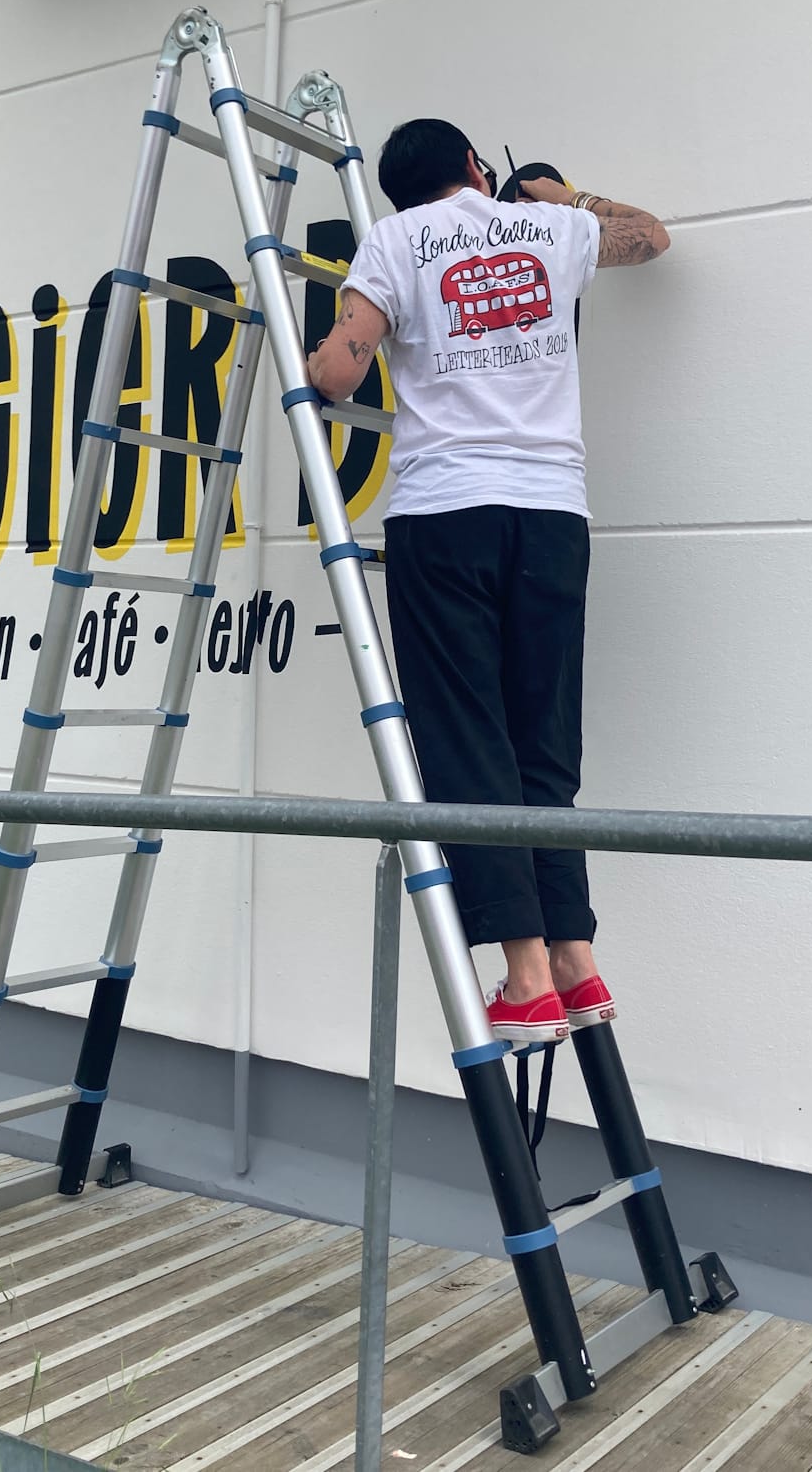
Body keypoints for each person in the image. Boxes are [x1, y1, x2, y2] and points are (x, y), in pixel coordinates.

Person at [306, 118, 670, 1043]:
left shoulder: (394, 242)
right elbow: (650, 233)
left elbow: (339, 374)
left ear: (400, 191)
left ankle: (522, 975)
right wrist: (555, 194)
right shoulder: (556, 231)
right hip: (552, 514)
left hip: (445, 515)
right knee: (544, 741)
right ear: (475, 167)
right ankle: (575, 961)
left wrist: (321, 355)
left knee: (470, 741)